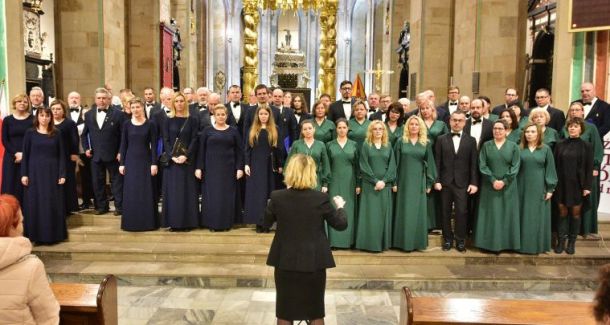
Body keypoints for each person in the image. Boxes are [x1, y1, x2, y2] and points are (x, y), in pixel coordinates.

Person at [263, 154, 347, 325]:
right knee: (315, 310)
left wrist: (271, 204)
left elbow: (265, 223)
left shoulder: (277, 197)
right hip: (313, 262)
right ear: (311, 173)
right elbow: (340, 225)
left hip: (285, 261)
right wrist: (340, 207)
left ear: (290, 172)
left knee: (285, 311)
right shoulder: (321, 198)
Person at [0, 194, 60, 324]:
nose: (23, 226)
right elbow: (49, 318)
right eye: (21, 221)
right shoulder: (31, 268)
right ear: (11, 227)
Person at [434, 110, 479, 252]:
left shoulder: (471, 141)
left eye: (460, 120)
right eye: (454, 120)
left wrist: (474, 182)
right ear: (450, 121)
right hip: (445, 182)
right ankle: (447, 239)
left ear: (465, 122)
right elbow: (437, 162)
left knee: (461, 212)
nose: (457, 122)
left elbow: (473, 164)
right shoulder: (441, 139)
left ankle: (460, 240)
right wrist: (437, 180)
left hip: (463, 183)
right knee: (445, 212)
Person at [21, 107, 67, 244]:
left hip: (52, 173)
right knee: (35, 203)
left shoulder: (56, 133)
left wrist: (62, 173)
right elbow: (25, 154)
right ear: (37, 117)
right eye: (41, 115)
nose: (44, 118)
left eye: (47, 116)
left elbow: (62, 155)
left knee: (51, 203)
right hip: (34, 173)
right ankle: (36, 236)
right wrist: (24, 174)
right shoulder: (30, 133)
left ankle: (53, 236)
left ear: (50, 118)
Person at [474, 119, 521, 252]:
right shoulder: (486, 146)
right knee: (489, 214)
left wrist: (504, 181)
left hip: (508, 186)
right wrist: (493, 180)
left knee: (505, 214)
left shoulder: (513, 147)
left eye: (500, 129)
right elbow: (482, 165)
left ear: (506, 131)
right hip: (489, 186)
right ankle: (486, 243)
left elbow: (515, 166)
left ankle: (506, 244)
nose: (497, 131)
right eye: (495, 128)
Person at [196, 104, 244, 231]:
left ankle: (226, 223)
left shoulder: (233, 131)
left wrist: (239, 168)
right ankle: (212, 223)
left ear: (227, 116)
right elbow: (201, 151)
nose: (221, 117)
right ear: (214, 116)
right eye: (218, 115)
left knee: (226, 196)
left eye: (223, 114)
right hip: (211, 169)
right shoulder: (207, 131)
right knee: (212, 196)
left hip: (228, 169)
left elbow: (240, 151)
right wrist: (198, 168)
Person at [392, 116, 435, 251]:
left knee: (417, 212)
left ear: (420, 127)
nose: (414, 126)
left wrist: (429, 183)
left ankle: (416, 243)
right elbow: (395, 163)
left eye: (417, 124)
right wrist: (394, 182)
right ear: (407, 127)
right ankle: (402, 242)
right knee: (403, 211)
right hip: (403, 181)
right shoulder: (401, 142)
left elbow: (431, 164)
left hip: (419, 182)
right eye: (411, 124)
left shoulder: (426, 143)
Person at [81, 88, 125, 215]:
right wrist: (86, 148)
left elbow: (123, 135)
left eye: (104, 98)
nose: (101, 100)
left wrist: (120, 151)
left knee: (116, 182)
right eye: (99, 98)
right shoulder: (89, 114)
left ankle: (119, 207)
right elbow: (84, 134)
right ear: (95, 99)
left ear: (109, 99)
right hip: (96, 155)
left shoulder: (118, 114)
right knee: (97, 182)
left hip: (114, 155)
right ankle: (101, 207)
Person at [562, 102, 603, 238]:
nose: (574, 112)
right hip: (568, 172)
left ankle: (585, 229)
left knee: (585, 199)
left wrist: (595, 167)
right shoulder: (565, 128)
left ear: (583, 112)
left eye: (577, 110)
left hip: (587, 171)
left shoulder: (591, 128)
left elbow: (597, 149)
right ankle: (567, 230)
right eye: (572, 110)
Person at [554, 117, 593, 255]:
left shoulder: (587, 146)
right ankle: (560, 242)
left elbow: (589, 168)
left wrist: (587, 187)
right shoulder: (560, 144)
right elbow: (554, 166)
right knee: (562, 213)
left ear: (581, 129)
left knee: (575, 215)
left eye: (575, 126)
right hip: (561, 184)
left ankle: (571, 242)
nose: (572, 128)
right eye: (570, 126)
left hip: (578, 185)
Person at [119, 97, 159, 232]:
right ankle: (131, 223)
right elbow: (123, 145)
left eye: (138, 107)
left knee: (145, 190)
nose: (135, 110)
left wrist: (154, 163)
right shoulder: (126, 124)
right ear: (130, 109)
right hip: (131, 161)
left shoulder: (150, 124)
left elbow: (154, 146)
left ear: (142, 108)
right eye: (133, 107)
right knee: (132, 191)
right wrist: (122, 163)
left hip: (146, 160)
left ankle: (147, 223)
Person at [356, 120, 396, 252]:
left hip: (385, 186)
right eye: (375, 129)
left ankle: (381, 244)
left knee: (382, 216)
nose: (378, 131)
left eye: (380, 129)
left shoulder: (388, 145)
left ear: (384, 131)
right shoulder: (366, 145)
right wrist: (375, 181)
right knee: (369, 216)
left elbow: (392, 166)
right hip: (369, 186)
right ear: (371, 131)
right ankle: (368, 244)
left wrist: (384, 181)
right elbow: (363, 165)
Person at [517, 123, 557, 254]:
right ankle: (520, 245)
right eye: (527, 132)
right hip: (521, 187)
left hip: (539, 187)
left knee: (536, 217)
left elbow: (550, 169)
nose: (529, 134)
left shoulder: (545, 149)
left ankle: (536, 246)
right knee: (522, 215)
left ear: (539, 133)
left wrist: (550, 189)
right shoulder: (519, 148)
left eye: (533, 132)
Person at [162, 92, 199, 231]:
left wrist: (186, 155)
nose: (179, 103)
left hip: (187, 162)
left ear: (185, 102)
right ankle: (174, 222)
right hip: (172, 163)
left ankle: (188, 222)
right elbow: (165, 139)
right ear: (173, 103)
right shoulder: (167, 120)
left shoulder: (193, 119)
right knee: (174, 193)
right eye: (176, 101)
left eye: (181, 101)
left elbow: (195, 139)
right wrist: (172, 155)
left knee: (187, 192)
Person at [244, 105, 283, 233]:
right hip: (255, 165)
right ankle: (258, 222)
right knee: (257, 194)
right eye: (261, 114)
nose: (263, 116)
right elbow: (247, 149)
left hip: (270, 166)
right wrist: (246, 164)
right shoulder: (252, 129)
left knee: (269, 194)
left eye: (266, 114)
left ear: (269, 115)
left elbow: (279, 149)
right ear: (257, 115)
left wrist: (280, 165)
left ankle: (267, 223)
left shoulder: (275, 129)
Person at [326, 118, 359, 248]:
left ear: (348, 129)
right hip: (334, 180)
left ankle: (348, 241)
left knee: (348, 208)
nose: (341, 130)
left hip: (350, 180)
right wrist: (326, 183)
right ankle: (334, 241)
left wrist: (358, 184)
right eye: (339, 127)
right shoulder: (329, 145)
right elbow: (327, 165)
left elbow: (357, 166)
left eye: (344, 127)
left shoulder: (354, 145)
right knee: (334, 207)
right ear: (336, 129)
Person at [419, 99, 447, 231]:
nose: (425, 111)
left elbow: (447, 142)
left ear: (432, 110)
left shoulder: (441, 124)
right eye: (422, 108)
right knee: (424, 191)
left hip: (438, 160)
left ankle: (435, 223)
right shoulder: (417, 123)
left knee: (436, 191)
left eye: (427, 108)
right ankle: (423, 222)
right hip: (421, 160)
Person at [1, 94, 34, 204]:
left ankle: (27, 215)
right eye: (19, 101)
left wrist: (24, 154)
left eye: (25, 102)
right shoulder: (7, 120)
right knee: (10, 184)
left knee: (26, 185)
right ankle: (9, 213)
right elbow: (4, 140)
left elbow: (34, 138)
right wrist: (16, 153)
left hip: (28, 156)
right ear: (14, 103)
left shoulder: (33, 119)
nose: (22, 104)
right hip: (11, 157)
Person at [50, 99, 80, 214]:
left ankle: (68, 207)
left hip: (67, 157)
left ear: (63, 110)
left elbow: (74, 140)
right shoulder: (48, 123)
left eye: (58, 109)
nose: (55, 111)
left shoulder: (69, 123)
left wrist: (74, 153)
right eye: (53, 109)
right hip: (52, 157)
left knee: (67, 182)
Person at [67, 91, 94, 210]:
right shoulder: (64, 113)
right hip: (68, 151)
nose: (74, 100)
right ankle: (71, 202)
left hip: (83, 150)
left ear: (80, 100)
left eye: (76, 98)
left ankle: (87, 200)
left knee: (86, 176)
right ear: (68, 100)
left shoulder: (87, 113)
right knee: (69, 176)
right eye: (72, 98)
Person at [286, 120, 330, 192]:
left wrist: (325, 184)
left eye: (310, 128)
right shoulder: (296, 144)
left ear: (314, 129)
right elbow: (289, 163)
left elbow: (326, 165)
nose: (307, 131)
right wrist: (289, 181)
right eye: (305, 129)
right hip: (298, 179)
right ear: (302, 131)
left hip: (315, 179)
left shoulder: (321, 145)